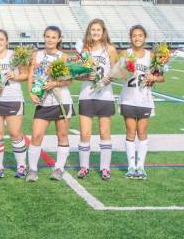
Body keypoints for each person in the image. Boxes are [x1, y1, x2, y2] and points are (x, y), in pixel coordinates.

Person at [26, 26, 74, 182]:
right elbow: (31, 76)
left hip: (61, 101)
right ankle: (32, 170)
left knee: (62, 135)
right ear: (43, 37)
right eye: (47, 36)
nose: (50, 40)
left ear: (59, 39)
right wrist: (31, 92)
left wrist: (54, 83)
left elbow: (69, 81)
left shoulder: (64, 57)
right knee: (37, 135)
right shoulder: (36, 55)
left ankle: (59, 168)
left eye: (53, 37)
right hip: (43, 101)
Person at [119, 25, 164, 179]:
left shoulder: (151, 56)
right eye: (134, 35)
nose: (137, 38)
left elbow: (161, 77)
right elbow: (117, 73)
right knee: (131, 132)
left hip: (144, 99)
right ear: (130, 38)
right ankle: (131, 166)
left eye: (140, 35)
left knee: (142, 132)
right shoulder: (125, 53)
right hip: (128, 98)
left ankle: (141, 167)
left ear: (145, 37)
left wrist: (154, 78)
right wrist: (124, 70)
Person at [0, 29, 28, 178]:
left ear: (7, 41)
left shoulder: (14, 55)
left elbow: (26, 74)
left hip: (13, 97)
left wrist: (15, 75)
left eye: (2, 39)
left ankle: (21, 166)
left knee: (15, 133)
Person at [77, 19, 117, 180]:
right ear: (89, 31)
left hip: (105, 95)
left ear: (103, 31)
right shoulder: (84, 49)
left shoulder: (110, 49)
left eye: (98, 30)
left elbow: (116, 71)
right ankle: (84, 167)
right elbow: (77, 75)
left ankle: (105, 168)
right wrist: (86, 75)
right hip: (87, 94)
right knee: (85, 133)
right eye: (92, 29)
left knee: (104, 132)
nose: (95, 32)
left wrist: (109, 79)